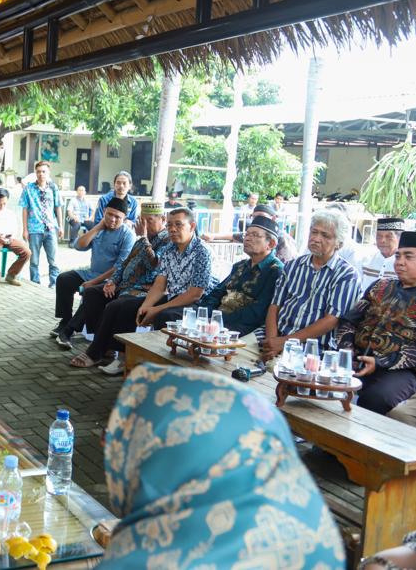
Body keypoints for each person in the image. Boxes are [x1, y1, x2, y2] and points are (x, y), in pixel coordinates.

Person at [99, 364, 345, 568]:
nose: (108, 446)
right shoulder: (313, 535)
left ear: (173, 458)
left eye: (124, 436)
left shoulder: (150, 557)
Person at [88, 207, 212, 376]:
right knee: (122, 306)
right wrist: (145, 306)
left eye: (178, 224)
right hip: (172, 297)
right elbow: (160, 285)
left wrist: (157, 308)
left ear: (192, 226)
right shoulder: (169, 249)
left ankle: (162, 368)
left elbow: (195, 294)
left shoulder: (202, 251)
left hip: (196, 303)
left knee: (164, 315)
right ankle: (122, 358)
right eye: (170, 225)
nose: (173, 229)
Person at [67, 202, 169, 368]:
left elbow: (155, 264)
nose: (144, 225)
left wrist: (143, 237)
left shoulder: (167, 240)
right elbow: (124, 263)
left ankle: (100, 353)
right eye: (142, 221)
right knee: (92, 293)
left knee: (116, 306)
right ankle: (105, 347)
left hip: (144, 290)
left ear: (162, 219)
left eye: (149, 221)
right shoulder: (143, 239)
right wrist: (113, 281)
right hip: (125, 285)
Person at [333, 230, 416, 417]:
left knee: (376, 398)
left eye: (408, 257)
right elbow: (349, 320)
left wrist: (380, 362)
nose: (399, 262)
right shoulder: (380, 285)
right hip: (357, 358)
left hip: (402, 370)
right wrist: (347, 350)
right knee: (326, 380)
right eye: (398, 256)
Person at [153, 215, 283, 335]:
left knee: (205, 331)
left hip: (241, 324)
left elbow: (258, 312)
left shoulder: (275, 271)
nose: (247, 238)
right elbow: (217, 293)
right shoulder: (240, 266)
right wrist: (206, 315)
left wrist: (216, 320)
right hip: (218, 316)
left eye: (255, 235)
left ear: (271, 244)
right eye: (247, 234)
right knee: (168, 315)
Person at [260, 210, 360, 360]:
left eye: (325, 235)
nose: (316, 238)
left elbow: (331, 320)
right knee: (234, 354)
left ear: (339, 244)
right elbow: (275, 306)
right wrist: (272, 342)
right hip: (275, 337)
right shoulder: (293, 266)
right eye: (314, 232)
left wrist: (284, 343)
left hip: (313, 348)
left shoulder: (346, 275)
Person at [52, 197, 135, 348]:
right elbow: (79, 246)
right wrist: (97, 228)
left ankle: (69, 331)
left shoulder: (127, 235)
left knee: (92, 293)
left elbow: (119, 267)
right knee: (64, 279)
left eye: (117, 217)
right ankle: (65, 320)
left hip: (111, 280)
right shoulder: (99, 229)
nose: (112, 219)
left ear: (124, 218)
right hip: (91, 273)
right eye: (109, 214)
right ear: (104, 212)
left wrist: (92, 282)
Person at [202, 203, 297, 264]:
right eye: (254, 217)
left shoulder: (283, 239)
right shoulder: (241, 266)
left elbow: (289, 265)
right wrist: (213, 236)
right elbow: (235, 236)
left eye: (261, 216)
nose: (257, 220)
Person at [19, 161, 63, 287]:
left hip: (51, 228)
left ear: (48, 173)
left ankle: (54, 284)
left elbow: (58, 207)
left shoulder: (53, 188)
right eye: (38, 171)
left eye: (44, 171)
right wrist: (25, 229)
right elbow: (25, 209)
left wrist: (60, 226)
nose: (41, 174)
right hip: (34, 229)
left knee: (53, 260)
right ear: (35, 173)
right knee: (34, 260)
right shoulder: (28, 189)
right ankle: (35, 283)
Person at [0, 188, 30, 286]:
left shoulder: (10, 213)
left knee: (27, 252)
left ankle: (11, 275)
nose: (2, 206)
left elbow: (15, 228)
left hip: (9, 238)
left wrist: (10, 237)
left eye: (4, 203)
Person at [357, 217, 403, 294]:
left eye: (388, 236)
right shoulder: (366, 260)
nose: (382, 240)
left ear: (399, 238)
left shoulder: (404, 265)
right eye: (379, 236)